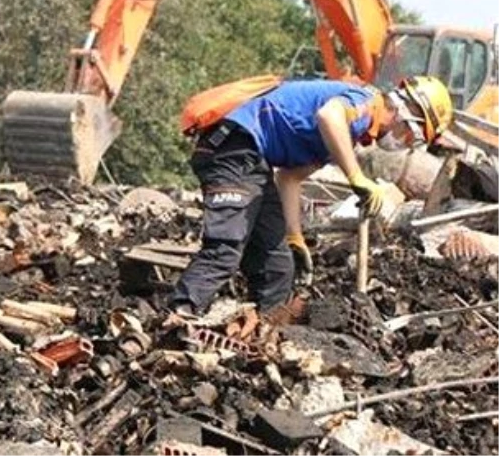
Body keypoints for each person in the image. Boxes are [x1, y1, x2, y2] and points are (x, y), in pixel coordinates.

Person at [168, 75, 453, 321]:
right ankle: (179, 314)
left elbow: (289, 178)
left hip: (254, 163)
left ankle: (265, 330)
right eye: (410, 136)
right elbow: (329, 116)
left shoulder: (343, 140)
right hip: (233, 147)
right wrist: (356, 177)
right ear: (407, 112)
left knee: (277, 263)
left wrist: (295, 237)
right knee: (226, 248)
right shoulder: (365, 101)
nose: (401, 143)